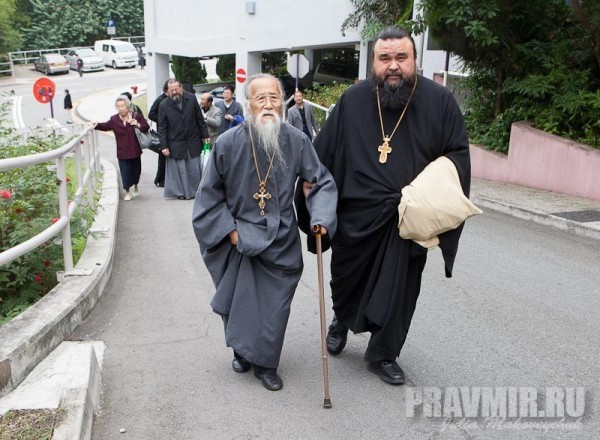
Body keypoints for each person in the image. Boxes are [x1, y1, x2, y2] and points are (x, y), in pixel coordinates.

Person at [300, 26, 472, 385]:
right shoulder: (353, 99)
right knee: (347, 279)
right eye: (385, 58)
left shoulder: (440, 102)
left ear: (414, 60)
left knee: (401, 291)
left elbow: (457, 153)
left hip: (410, 218)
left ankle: (383, 354)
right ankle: (342, 320)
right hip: (356, 216)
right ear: (373, 63)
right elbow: (324, 152)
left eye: (401, 58)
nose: (393, 66)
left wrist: (426, 194)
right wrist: (308, 180)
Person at [192, 73, 338, 391]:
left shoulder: (297, 140)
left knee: (275, 306)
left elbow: (320, 181)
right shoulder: (227, 144)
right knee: (239, 299)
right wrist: (230, 233)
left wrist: (321, 215)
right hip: (237, 237)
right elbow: (208, 197)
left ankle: (266, 363)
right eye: (261, 98)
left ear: (282, 102)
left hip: (281, 239)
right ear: (249, 104)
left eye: (274, 98)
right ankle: (243, 352)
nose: (268, 105)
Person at [158, 79, 210, 200]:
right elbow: (162, 127)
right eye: (171, 90)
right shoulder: (164, 105)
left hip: (192, 139)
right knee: (180, 170)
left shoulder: (191, 98)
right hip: (175, 142)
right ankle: (182, 193)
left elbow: (199, 119)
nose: (174, 91)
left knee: (194, 168)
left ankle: (197, 191)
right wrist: (164, 146)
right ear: (167, 90)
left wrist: (205, 135)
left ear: (181, 87)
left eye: (176, 88)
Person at [93, 95, 149, 201]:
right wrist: (96, 124)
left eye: (123, 106)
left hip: (135, 150)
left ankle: (136, 185)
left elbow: (146, 126)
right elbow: (105, 126)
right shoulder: (114, 119)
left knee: (136, 171)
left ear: (127, 106)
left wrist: (137, 124)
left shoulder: (136, 116)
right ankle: (127, 191)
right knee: (125, 172)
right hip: (122, 151)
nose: (121, 108)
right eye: (118, 106)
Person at [148, 80, 169, 187]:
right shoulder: (160, 100)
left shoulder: (172, 99)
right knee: (163, 156)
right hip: (163, 131)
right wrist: (163, 120)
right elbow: (151, 114)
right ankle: (160, 179)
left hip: (172, 131)